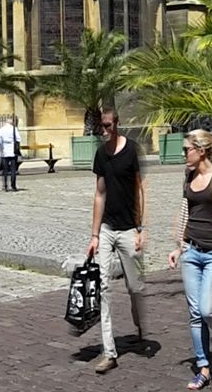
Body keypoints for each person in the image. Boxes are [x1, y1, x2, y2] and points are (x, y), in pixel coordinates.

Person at [166, 129, 212, 389]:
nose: (184, 154)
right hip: (191, 253)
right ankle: (203, 368)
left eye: (186, 150)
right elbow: (186, 210)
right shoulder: (188, 175)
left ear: (201, 150)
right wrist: (178, 247)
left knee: (206, 310)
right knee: (195, 314)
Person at [84, 106, 147, 373]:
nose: (105, 130)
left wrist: (141, 228)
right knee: (105, 288)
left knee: (135, 287)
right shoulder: (101, 154)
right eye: (102, 126)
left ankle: (139, 320)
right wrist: (95, 235)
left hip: (129, 228)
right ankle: (109, 352)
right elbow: (99, 193)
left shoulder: (132, 150)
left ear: (117, 124)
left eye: (108, 125)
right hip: (108, 229)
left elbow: (140, 189)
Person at [0, 114, 21, 192]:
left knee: (5, 169)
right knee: (13, 169)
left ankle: (5, 185)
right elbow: (18, 139)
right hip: (13, 150)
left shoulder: (2, 129)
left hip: (4, 151)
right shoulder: (14, 129)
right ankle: (13, 185)